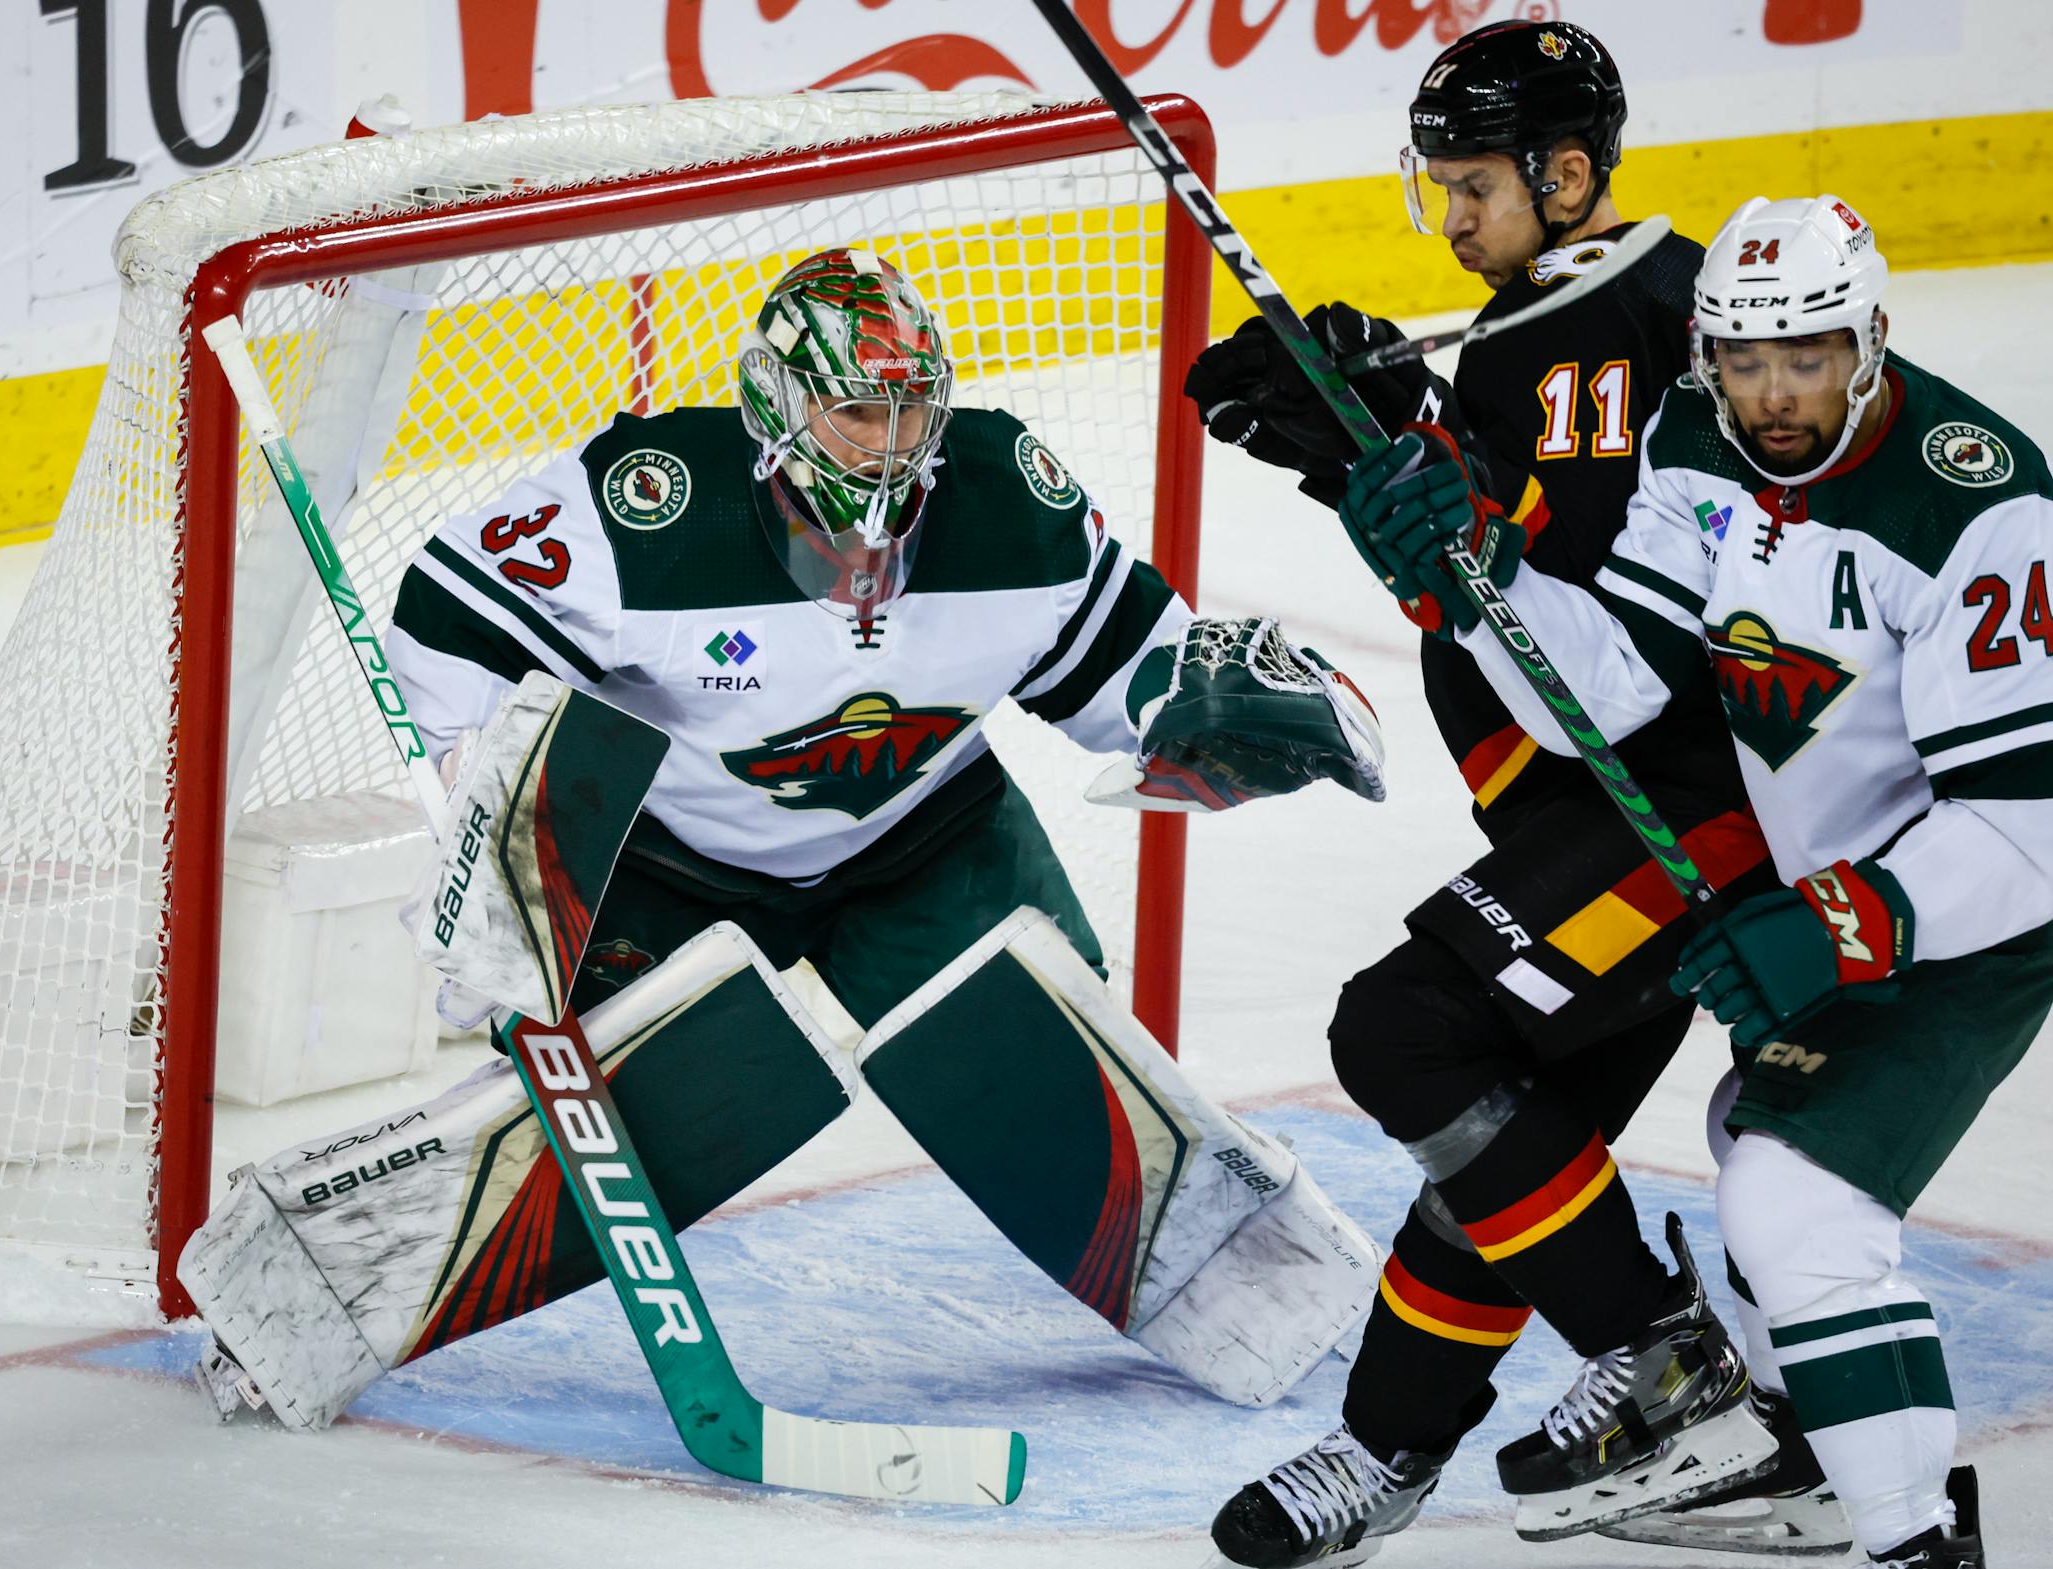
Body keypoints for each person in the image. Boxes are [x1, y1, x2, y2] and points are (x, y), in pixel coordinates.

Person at [173, 246, 1392, 1435]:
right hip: (673, 865)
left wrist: (1203, 714)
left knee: (1046, 1066)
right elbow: (450, 616)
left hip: (931, 841)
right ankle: (305, 1300)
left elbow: (1120, 670)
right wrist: (480, 826)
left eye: (914, 414)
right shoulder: (644, 509)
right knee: (610, 1117)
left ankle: (1285, 1308)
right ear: (778, 407)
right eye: (862, 414)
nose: (895, 445)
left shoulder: (1010, 502)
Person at [1186, 21, 1819, 1567]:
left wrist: (1424, 497)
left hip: (1678, 819)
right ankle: (1390, 1446)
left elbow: (1601, 663)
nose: (1453, 218)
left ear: (1570, 173)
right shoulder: (1546, 330)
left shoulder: (1621, 343)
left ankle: (1669, 1361)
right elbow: (1503, 547)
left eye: (1474, 186)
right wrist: (1384, 438)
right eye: (1441, 187)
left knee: (1405, 1029)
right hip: (1584, 822)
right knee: (1507, 1143)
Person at [1340, 191, 2051, 1567]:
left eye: (1812, 357)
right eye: (1744, 360)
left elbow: (2032, 828)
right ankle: (1806, 1455)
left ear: (1875, 339)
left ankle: (1911, 1540)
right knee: (1753, 1154)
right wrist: (1477, 574)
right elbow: (1599, 691)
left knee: (1798, 1210)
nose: (1777, 396)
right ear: (1705, 354)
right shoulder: (1692, 436)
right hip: (1833, 900)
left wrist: (1850, 921)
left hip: (1975, 919)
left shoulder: (1978, 508)